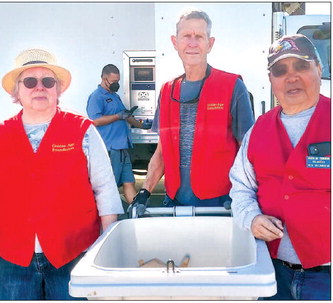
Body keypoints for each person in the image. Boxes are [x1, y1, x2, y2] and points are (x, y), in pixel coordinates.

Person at [0, 48, 124, 300]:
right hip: (12, 261)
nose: (39, 87)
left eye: (48, 81)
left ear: (58, 89)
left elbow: (105, 189)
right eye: (30, 81)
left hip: (74, 255)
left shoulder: (82, 131)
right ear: (16, 92)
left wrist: (106, 253)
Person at [230, 34, 330, 300]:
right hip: (271, 273)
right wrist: (251, 218)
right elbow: (240, 188)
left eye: (301, 66)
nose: (291, 77)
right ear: (271, 80)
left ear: (319, 70)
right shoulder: (258, 129)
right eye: (280, 70)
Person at [130, 8, 254, 214]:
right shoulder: (167, 90)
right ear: (175, 42)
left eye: (200, 36)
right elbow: (162, 152)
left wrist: (245, 198)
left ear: (210, 43)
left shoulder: (232, 86)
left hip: (220, 204)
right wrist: (144, 192)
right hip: (174, 202)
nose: (193, 43)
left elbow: (247, 152)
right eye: (186, 36)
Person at [87, 64, 151, 204]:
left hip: (122, 148)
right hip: (110, 149)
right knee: (109, 186)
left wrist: (143, 125)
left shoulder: (114, 96)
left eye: (118, 81)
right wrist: (117, 116)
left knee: (129, 182)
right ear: (104, 79)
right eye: (114, 82)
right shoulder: (97, 97)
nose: (116, 84)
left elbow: (125, 116)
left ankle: (136, 213)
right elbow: (95, 121)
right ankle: (104, 218)